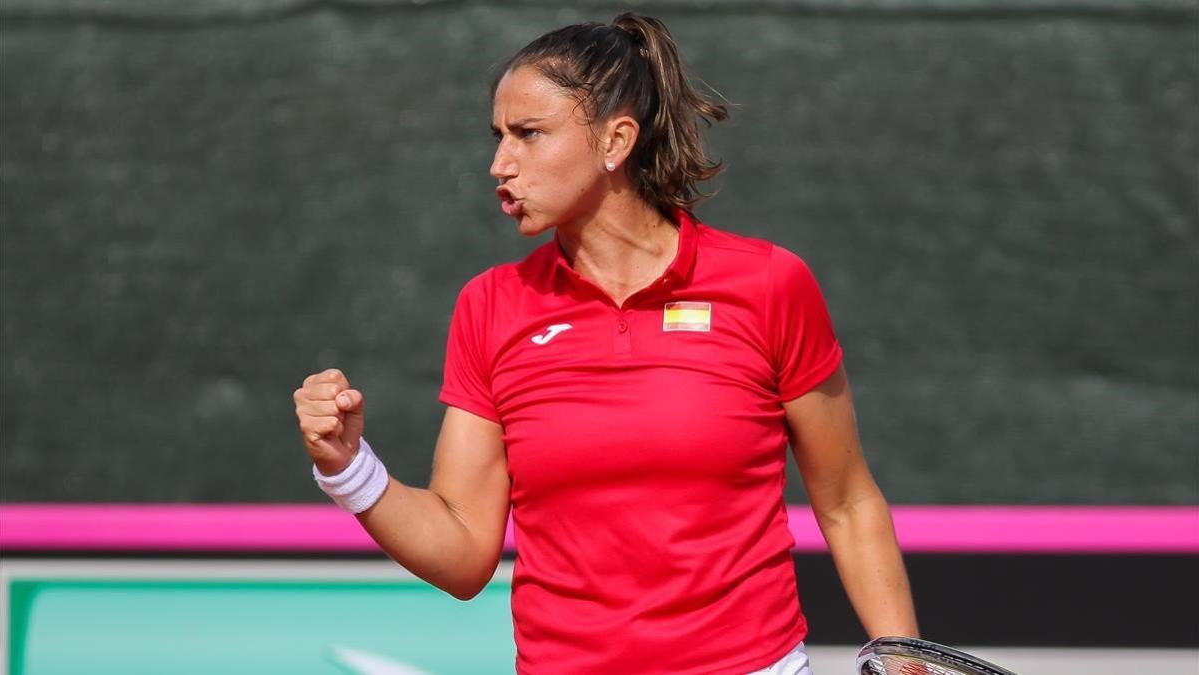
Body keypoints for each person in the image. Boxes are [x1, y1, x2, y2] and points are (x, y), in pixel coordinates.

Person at [293, 12, 918, 674]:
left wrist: (908, 662)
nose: (499, 164)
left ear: (615, 139)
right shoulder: (491, 306)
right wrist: (347, 467)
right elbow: (464, 554)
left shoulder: (769, 284)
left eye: (528, 135)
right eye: (498, 136)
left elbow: (848, 502)